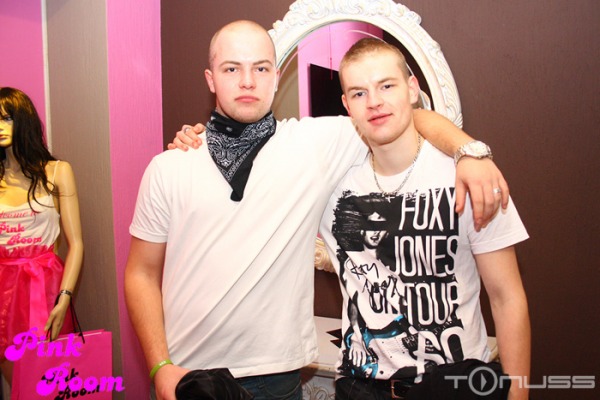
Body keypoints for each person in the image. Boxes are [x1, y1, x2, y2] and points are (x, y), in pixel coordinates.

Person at [126, 20, 508, 400]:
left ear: (276, 77)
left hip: (276, 379)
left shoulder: (315, 144)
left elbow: (407, 115)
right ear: (211, 79)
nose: (247, 82)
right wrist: (160, 366)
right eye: (231, 69)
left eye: (260, 68)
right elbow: (141, 273)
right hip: (188, 376)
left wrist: (469, 152)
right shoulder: (170, 166)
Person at [315, 38, 530, 399]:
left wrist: (519, 395)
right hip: (361, 387)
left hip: (454, 386)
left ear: (412, 89)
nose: (374, 102)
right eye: (359, 93)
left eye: (387, 86)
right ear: (347, 105)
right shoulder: (330, 185)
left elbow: (507, 298)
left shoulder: (468, 178)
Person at [0, 87, 84, 386]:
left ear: (23, 120)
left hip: (45, 287)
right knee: (15, 382)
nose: (0, 126)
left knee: (48, 379)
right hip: (3, 289)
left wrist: (64, 298)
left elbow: (76, 244)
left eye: (7, 118)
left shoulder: (57, 172)